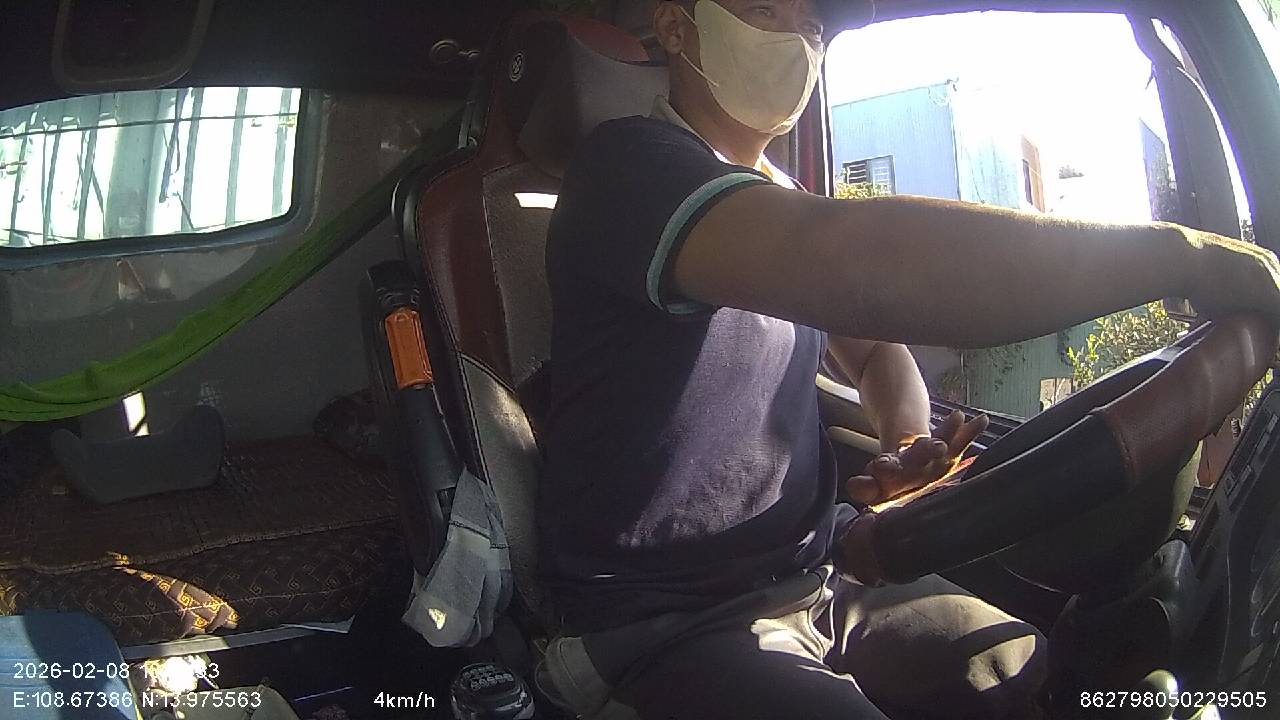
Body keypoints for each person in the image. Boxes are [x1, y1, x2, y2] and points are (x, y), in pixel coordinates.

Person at [533, 1, 1280, 718]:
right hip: (662, 618)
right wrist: (1179, 257)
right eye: (765, 13)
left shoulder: (781, 192)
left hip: (817, 576)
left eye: (811, 26)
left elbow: (876, 350)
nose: (797, 42)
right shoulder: (628, 169)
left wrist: (903, 439)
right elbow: (858, 266)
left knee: (1026, 671)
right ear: (676, 26)